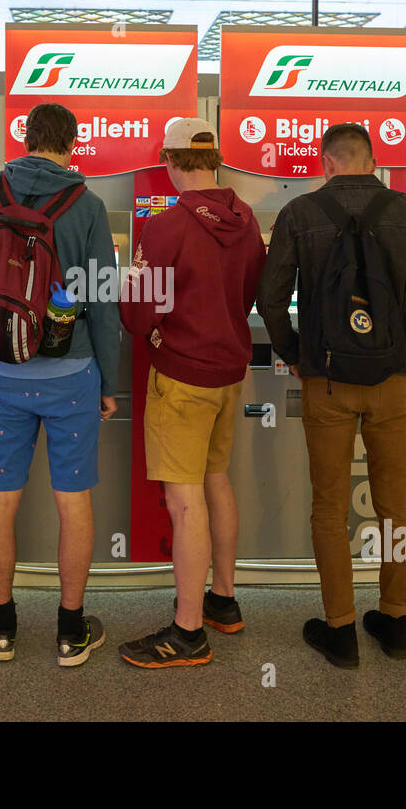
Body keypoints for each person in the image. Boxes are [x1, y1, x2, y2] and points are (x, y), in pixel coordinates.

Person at [256, 123, 406, 668]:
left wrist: (296, 353)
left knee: (329, 506)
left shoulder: (298, 215)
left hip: (326, 381)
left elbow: (270, 297)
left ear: (327, 162)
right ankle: (396, 620)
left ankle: (340, 631)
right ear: (371, 160)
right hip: (394, 379)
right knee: (395, 503)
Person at [0, 102, 120, 667]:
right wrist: (110, 382)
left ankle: (1, 628)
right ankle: (71, 630)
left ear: (25, 139)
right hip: (72, 373)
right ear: (72, 144)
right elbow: (102, 301)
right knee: (72, 501)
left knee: (2, 497)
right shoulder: (89, 205)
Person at [116, 119, 265, 668]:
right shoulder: (246, 220)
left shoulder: (167, 226)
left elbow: (136, 313)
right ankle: (223, 601)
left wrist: (152, 325)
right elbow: (252, 291)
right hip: (228, 372)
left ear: (169, 160)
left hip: (182, 377)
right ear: (216, 159)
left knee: (185, 501)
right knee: (216, 481)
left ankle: (187, 632)